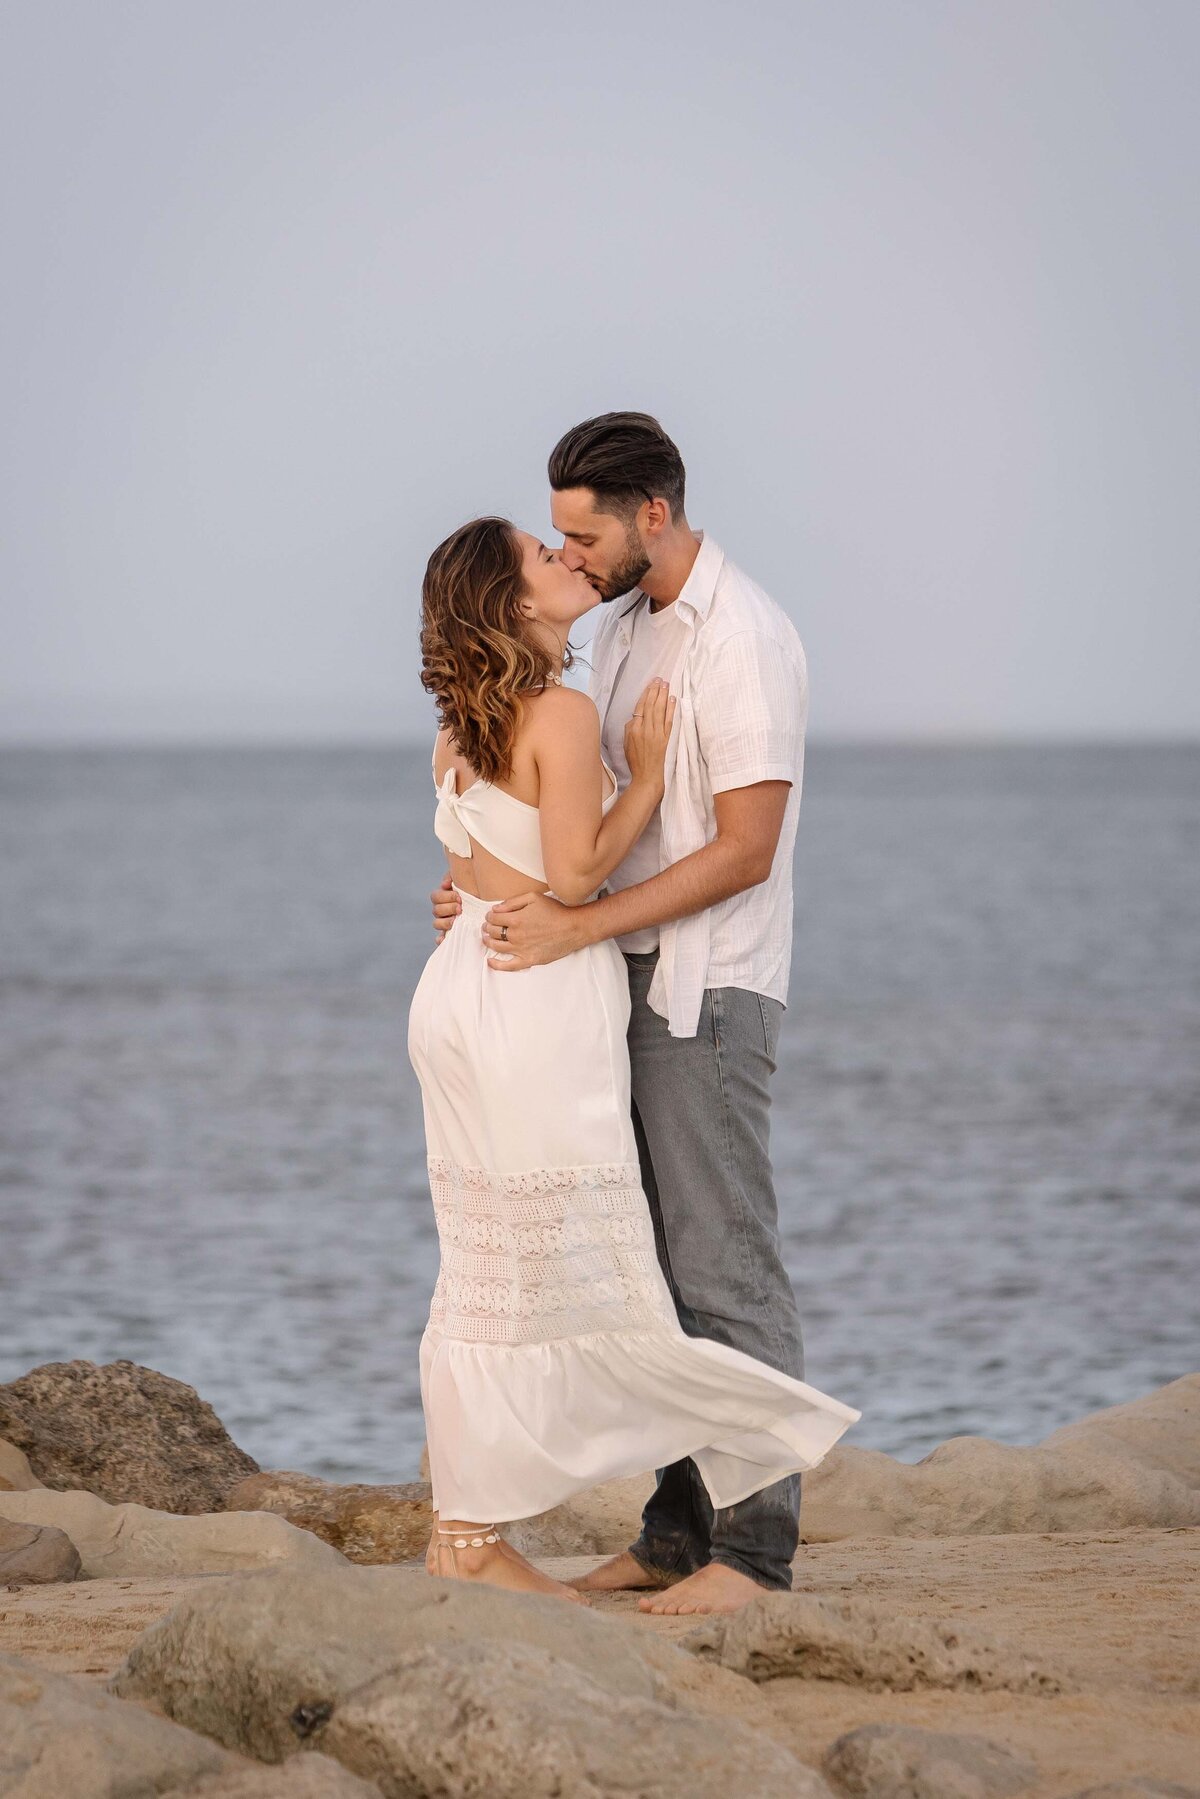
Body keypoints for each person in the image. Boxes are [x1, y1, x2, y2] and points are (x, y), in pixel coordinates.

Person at [410, 509, 860, 1609]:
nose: (563, 557)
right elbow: (567, 878)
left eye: (570, 536)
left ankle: (490, 1528)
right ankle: (513, 1533)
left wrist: (475, 901)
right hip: (537, 1002)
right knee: (596, 1262)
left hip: (466, 996)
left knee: (497, 1266)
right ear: (517, 605)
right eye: (541, 550)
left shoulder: (463, 722)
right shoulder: (565, 701)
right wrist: (648, 781)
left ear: (644, 511)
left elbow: (489, 859)